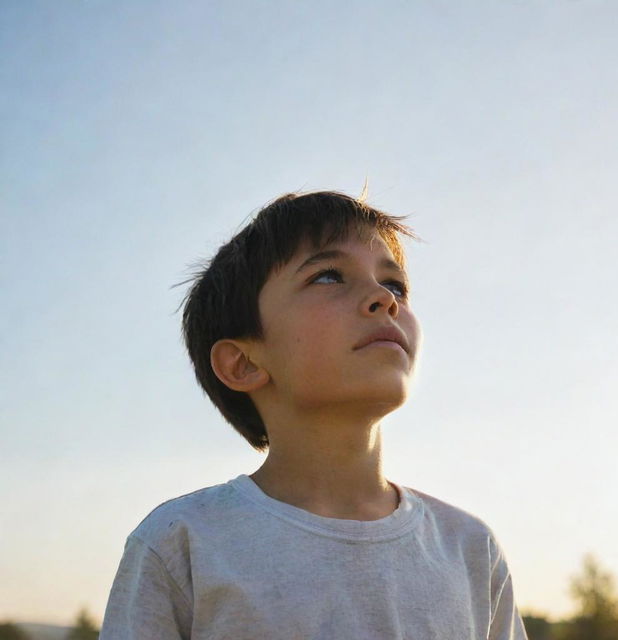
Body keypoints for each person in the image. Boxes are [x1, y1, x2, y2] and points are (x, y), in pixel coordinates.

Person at [99, 191, 528, 639]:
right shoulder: (183, 543)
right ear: (243, 363)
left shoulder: (469, 549)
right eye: (328, 276)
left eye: (395, 284)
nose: (384, 298)